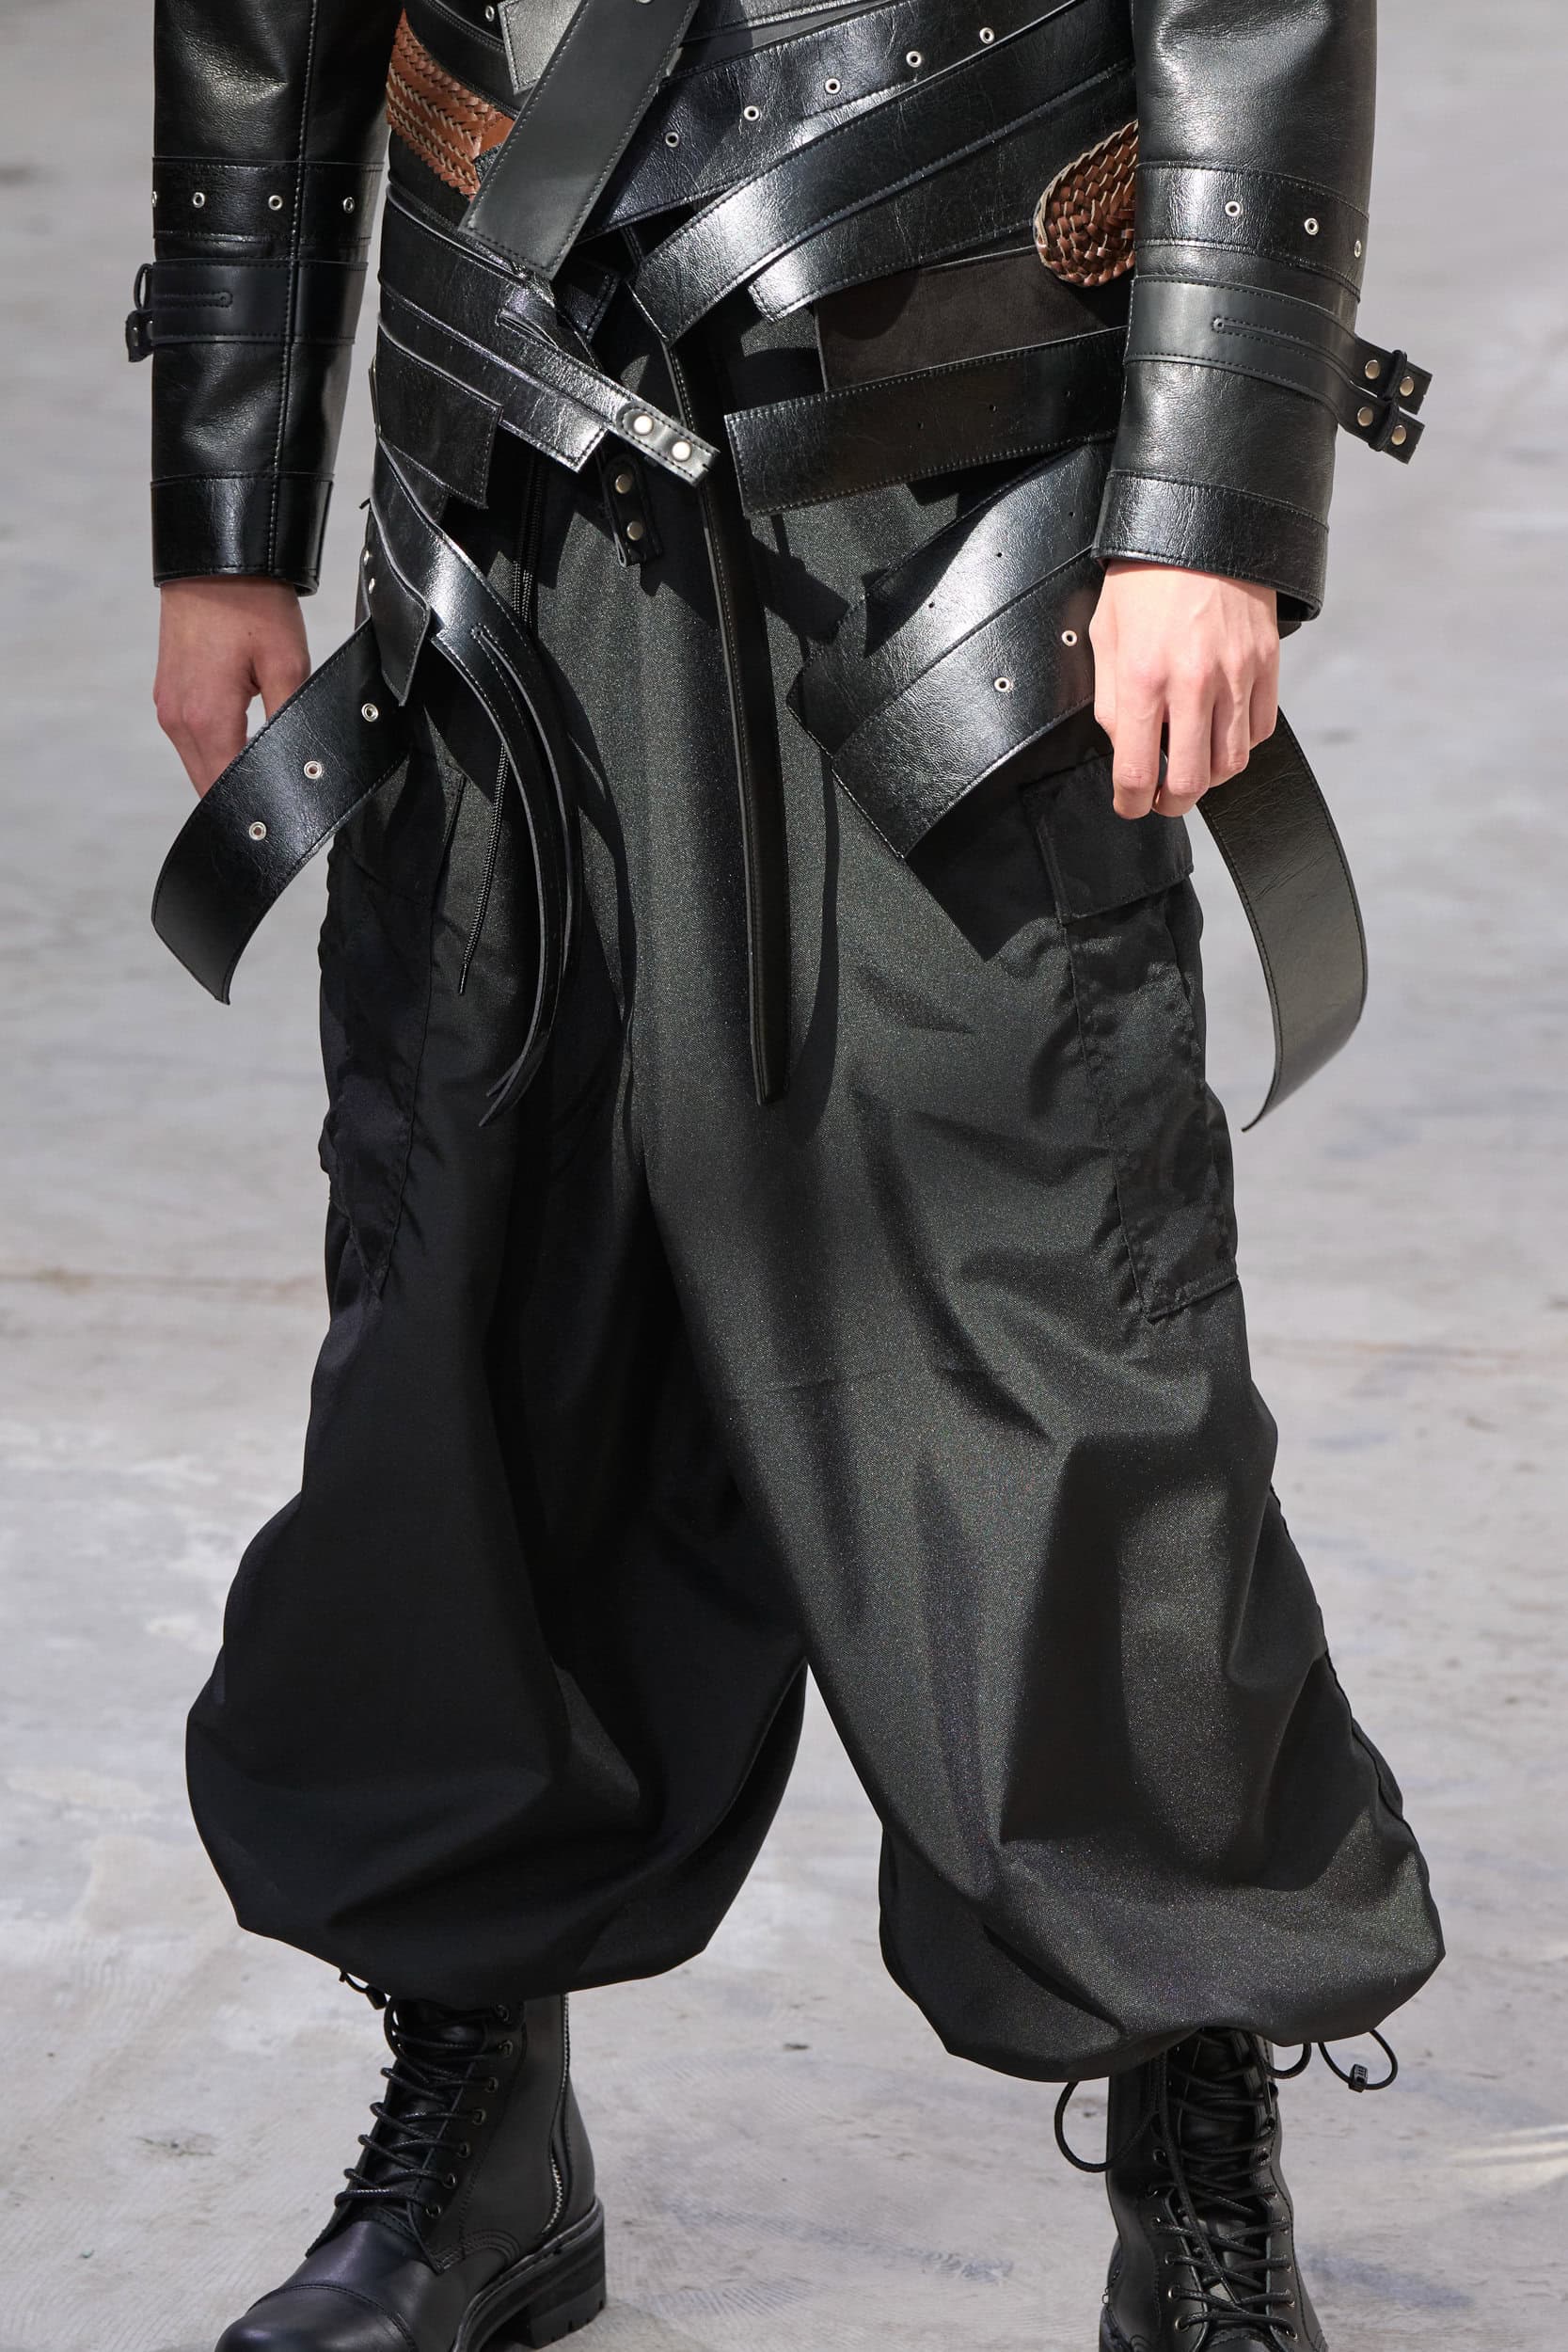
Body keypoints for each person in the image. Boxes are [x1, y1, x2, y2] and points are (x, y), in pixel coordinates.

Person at [134, 0, 1443, 2344]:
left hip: (944, 480)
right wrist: (223, 516)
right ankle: (482, 2130)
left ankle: (1194, 2148)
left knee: (1059, 1348)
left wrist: (1210, 496)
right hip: (506, 481)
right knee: (480, 1332)